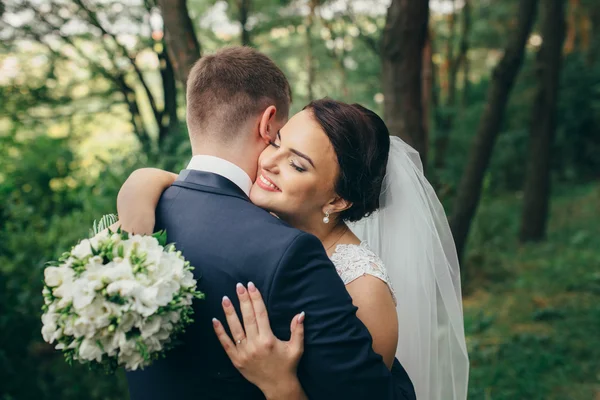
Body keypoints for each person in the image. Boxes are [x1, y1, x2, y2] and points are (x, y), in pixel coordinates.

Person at [120, 97, 469, 397]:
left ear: (337, 200)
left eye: (297, 164)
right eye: (276, 144)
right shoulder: (265, 221)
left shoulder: (364, 286)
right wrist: (142, 180)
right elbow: (199, 190)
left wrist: (280, 385)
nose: (271, 163)